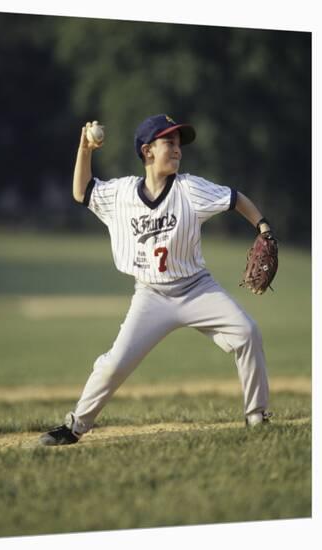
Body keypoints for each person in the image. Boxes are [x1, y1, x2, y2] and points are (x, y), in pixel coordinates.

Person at [40, 114, 273, 446]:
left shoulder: (190, 188)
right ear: (147, 151)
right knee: (114, 364)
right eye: (169, 142)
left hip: (197, 288)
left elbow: (236, 199)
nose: (177, 149)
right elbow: (82, 191)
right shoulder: (121, 194)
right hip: (151, 295)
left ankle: (257, 416)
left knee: (247, 332)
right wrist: (84, 148)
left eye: (179, 143)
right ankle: (75, 426)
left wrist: (263, 227)